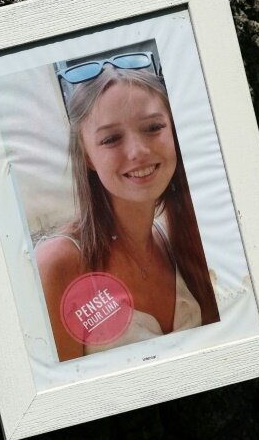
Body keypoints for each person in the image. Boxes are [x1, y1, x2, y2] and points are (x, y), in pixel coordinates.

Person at [36, 59, 220, 362]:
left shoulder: (183, 237)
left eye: (153, 128)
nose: (137, 152)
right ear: (87, 158)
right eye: (111, 139)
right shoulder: (60, 263)